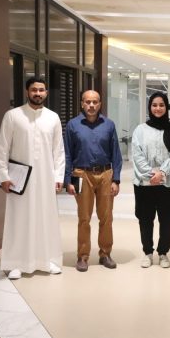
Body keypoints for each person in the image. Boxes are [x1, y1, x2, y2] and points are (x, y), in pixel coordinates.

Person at [0, 77, 65, 279]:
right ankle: (16, 263)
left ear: (46, 93)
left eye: (41, 90)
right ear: (27, 92)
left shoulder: (53, 118)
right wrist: (3, 176)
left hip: (46, 177)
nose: (38, 93)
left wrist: (58, 176)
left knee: (46, 218)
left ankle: (47, 260)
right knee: (18, 219)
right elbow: (3, 148)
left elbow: (58, 151)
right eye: (34, 90)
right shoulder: (12, 116)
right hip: (19, 179)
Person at [64, 90, 122, 272]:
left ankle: (105, 254)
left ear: (100, 104)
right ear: (82, 103)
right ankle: (82, 256)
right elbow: (67, 154)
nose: (91, 105)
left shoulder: (109, 125)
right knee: (84, 218)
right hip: (82, 174)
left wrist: (116, 180)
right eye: (87, 102)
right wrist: (68, 180)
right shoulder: (73, 125)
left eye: (95, 102)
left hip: (105, 174)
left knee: (106, 217)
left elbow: (116, 153)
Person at [132, 92, 170, 269]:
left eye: (161, 105)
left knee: (167, 219)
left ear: (166, 107)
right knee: (145, 219)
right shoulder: (140, 130)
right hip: (145, 184)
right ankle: (147, 252)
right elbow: (137, 155)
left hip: (169, 183)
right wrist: (150, 174)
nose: (158, 108)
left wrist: (162, 172)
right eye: (154, 105)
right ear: (149, 107)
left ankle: (163, 253)